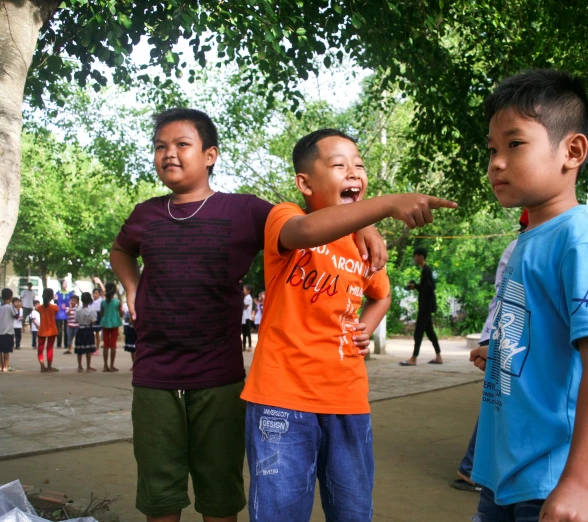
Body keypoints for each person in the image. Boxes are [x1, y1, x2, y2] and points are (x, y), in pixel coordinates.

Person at [110, 109, 387, 522]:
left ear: (210, 155)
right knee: (159, 491)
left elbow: (309, 223)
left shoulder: (246, 211)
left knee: (220, 489)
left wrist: (365, 221)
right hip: (154, 372)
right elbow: (121, 251)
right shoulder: (145, 214)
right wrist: (131, 287)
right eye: (160, 146)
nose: (169, 153)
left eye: (182, 144)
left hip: (219, 373)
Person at [241, 128, 455, 522]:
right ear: (305, 183)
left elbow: (382, 293)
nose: (354, 172)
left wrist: (367, 326)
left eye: (359, 165)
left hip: (348, 400)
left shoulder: (364, 246)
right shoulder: (285, 218)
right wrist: (384, 207)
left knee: (353, 511)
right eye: (339, 165)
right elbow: (306, 231)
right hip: (282, 401)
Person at [469, 69, 588, 522]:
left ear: (572, 151)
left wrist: (577, 485)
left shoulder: (581, 239)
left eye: (514, 144)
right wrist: (498, 348)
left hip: (559, 481)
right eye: (492, 150)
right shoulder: (531, 238)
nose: (497, 162)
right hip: (509, 476)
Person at [452, 210, 527, 493]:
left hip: (505, 339)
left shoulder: (527, 244)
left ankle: (474, 467)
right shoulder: (524, 247)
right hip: (506, 339)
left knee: (499, 403)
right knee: (500, 403)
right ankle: (472, 467)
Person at [399, 246, 442, 366]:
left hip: (425, 306)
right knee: (430, 331)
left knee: (418, 332)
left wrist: (416, 286)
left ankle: (413, 358)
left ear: (421, 257)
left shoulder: (426, 270)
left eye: (415, 256)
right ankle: (438, 356)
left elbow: (430, 288)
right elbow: (428, 286)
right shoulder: (425, 270)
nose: (414, 259)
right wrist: (416, 285)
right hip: (426, 305)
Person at [99, 282, 123, 373]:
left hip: (105, 323)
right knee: (113, 345)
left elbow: (101, 314)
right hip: (114, 324)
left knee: (106, 345)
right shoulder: (117, 302)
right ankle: (112, 366)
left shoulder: (103, 302)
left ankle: (105, 366)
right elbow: (121, 314)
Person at [0, 288, 18, 372]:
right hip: (8, 332)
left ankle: (0, 365)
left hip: (0, 331)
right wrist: (17, 307)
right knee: (6, 351)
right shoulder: (10, 307)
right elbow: (16, 316)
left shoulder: (0, 307)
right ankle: (5, 366)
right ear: (11, 297)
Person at [37, 288, 59, 372]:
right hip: (52, 330)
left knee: (40, 349)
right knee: (49, 349)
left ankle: (42, 366)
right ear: (52, 297)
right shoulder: (55, 308)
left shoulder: (39, 308)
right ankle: (49, 367)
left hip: (42, 330)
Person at [75, 292, 97, 372]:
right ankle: (88, 366)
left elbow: (76, 320)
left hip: (80, 329)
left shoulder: (78, 310)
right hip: (88, 329)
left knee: (79, 349)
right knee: (88, 349)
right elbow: (93, 321)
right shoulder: (91, 311)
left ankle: (80, 366)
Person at [55, 279, 74, 349]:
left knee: (67, 329)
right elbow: (55, 302)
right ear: (61, 285)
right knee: (59, 329)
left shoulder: (70, 293)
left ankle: (66, 344)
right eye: (64, 283)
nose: (66, 285)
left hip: (67, 312)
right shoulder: (57, 293)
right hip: (59, 313)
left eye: (66, 283)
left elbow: (72, 302)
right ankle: (59, 344)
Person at [89, 284, 105, 354]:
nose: (95, 295)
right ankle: (91, 347)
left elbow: (104, 292)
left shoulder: (101, 300)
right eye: (94, 293)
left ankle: (97, 348)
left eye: (96, 293)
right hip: (91, 317)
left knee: (97, 334)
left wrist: (99, 283)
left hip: (98, 317)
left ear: (99, 294)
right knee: (91, 334)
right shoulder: (91, 302)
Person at [122, 302, 136, 368]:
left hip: (132, 329)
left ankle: (135, 364)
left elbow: (126, 319)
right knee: (134, 348)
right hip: (134, 330)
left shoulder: (128, 311)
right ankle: (135, 364)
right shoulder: (129, 311)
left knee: (133, 349)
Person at [241, 284, 253, 351]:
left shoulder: (248, 297)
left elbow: (245, 306)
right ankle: (244, 345)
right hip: (244, 318)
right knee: (244, 333)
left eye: (244, 290)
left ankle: (250, 345)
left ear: (248, 291)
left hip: (247, 317)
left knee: (248, 332)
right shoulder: (245, 297)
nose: (243, 291)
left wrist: (240, 302)